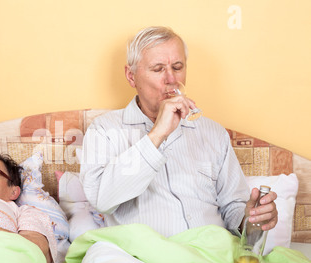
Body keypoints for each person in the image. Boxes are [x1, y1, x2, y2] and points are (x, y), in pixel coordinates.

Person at [80, 26, 278, 238]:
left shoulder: (213, 133)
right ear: (131, 76)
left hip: (211, 257)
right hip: (142, 260)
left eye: (177, 67)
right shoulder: (104, 130)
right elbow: (103, 199)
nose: (171, 79)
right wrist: (157, 134)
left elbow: (234, 209)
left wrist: (251, 218)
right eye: (158, 69)